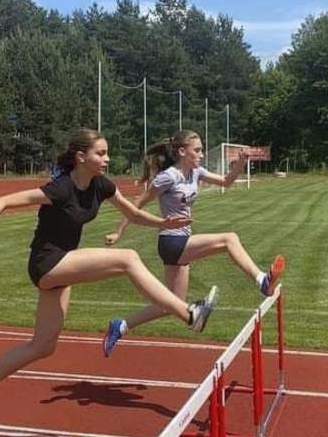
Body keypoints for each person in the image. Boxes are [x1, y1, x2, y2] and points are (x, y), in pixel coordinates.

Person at [0, 129, 220, 427]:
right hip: (46, 264)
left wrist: (163, 222)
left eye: (107, 152)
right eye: (101, 153)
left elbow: (133, 215)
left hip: (63, 267)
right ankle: (189, 314)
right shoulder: (59, 189)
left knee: (43, 346)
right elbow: (2, 202)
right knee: (128, 258)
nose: (107, 158)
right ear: (81, 157)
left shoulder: (102, 186)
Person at [102, 130, 285, 357]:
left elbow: (226, 182)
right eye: (197, 150)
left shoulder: (196, 172)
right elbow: (136, 204)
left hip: (182, 242)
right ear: (182, 152)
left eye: (201, 149)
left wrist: (239, 164)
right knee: (229, 239)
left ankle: (120, 325)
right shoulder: (168, 177)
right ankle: (262, 282)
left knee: (171, 304)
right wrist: (118, 232)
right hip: (171, 242)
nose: (201, 154)